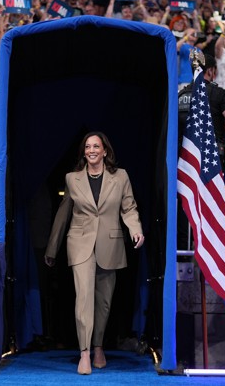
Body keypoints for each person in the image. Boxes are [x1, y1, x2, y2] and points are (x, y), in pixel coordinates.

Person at [44, 132, 144, 375]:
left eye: (96, 146)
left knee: (104, 303)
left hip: (110, 244)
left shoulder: (120, 177)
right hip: (79, 243)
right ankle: (85, 353)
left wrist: (136, 229)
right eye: (87, 147)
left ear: (105, 151)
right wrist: (52, 248)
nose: (91, 150)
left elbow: (128, 206)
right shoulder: (72, 179)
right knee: (84, 299)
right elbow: (63, 213)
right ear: (84, 152)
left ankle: (98, 345)